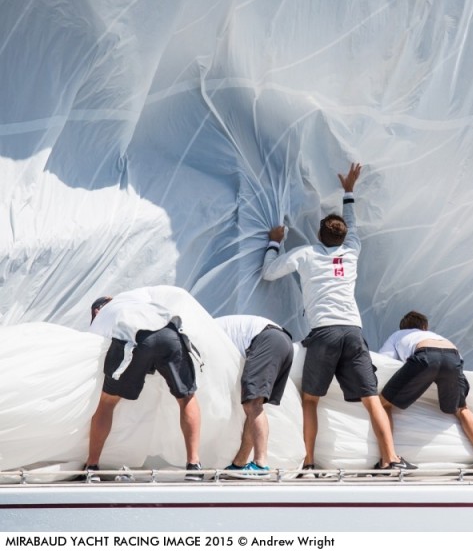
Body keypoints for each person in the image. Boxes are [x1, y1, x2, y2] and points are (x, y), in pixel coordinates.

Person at [261, 162, 415, 471]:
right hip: (353, 332)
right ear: (343, 239)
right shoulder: (352, 250)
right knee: (371, 399)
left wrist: (275, 241)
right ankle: (391, 459)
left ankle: (307, 462)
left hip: (325, 333)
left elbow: (269, 273)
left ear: (318, 235)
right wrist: (348, 191)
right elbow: (351, 224)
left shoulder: (305, 254)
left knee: (310, 399)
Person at [85, 288, 203, 481]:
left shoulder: (101, 317)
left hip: (133, 340)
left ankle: (92, 467)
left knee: (107, 402)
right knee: (186, 396)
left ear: (97, 310)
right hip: (169, 333)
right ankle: (194, 465)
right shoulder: (136, 297)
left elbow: (96, 346)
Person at [378, 311, 473, 469]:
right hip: (453, 356)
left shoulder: (398, 335)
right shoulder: (436, 336)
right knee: (462, 408)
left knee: (383, 404)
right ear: (425, 327)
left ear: (403, 327)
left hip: (425, 355)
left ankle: (389, 459)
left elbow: (384, 360)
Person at [215, 315, 294, 474]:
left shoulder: (206, 333)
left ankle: (260, 463)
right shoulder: (215, 326)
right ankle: (239, 463)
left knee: (252, 404)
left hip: (267, 339)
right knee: (252, 405)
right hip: (281, 341)